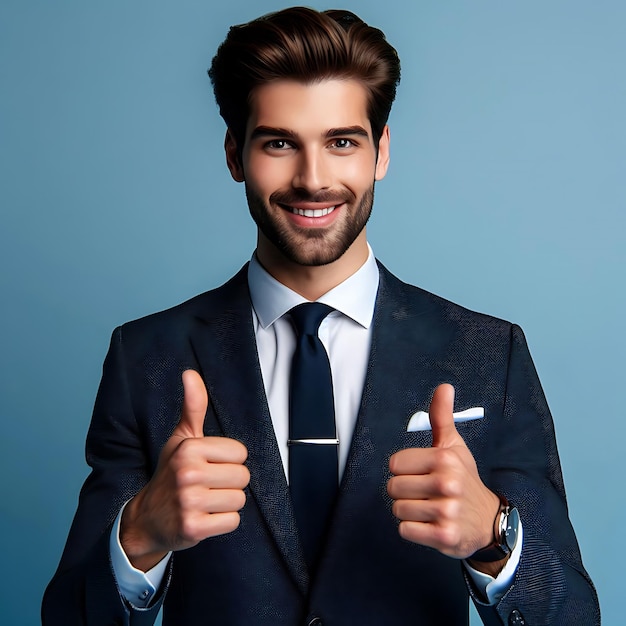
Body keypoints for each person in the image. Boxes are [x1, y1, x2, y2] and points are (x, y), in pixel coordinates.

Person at [42, 7, 599, 625]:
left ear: (380, 152)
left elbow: (572, 613)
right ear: (235, 155)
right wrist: (139, 536)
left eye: (342, 143)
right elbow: (70, 612)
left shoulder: (490, 353)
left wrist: (493, 539)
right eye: (279, 143)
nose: (313, 180)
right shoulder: (145, 356)